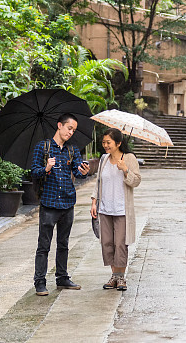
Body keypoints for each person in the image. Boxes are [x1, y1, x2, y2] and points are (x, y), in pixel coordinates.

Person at [30, 113, 90, 296]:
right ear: (59, 126)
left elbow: (78, 174)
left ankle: (62, 278)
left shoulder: (72, 150)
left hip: (67, 202)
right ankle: (40, 282)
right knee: (44, 245)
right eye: (69, 128)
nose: (71, 132)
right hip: (49, 203)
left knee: (63, 244)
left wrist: (84, 171)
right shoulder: (43, 147)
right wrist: (46, 168)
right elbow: (34, 173)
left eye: (73, 130)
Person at [90, 128, 141, 291]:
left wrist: (125, 170)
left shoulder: (129, 158)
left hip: (122, 210)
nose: (105, 145)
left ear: (118, 143)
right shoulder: (104, 159)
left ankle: (120, 277)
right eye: (104, 142)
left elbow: (136, 181)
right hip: (105, 209)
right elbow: (99, 182)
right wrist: (94, 202)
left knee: (120, 244)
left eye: (108, 142)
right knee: (107, 243)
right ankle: (114, 276)